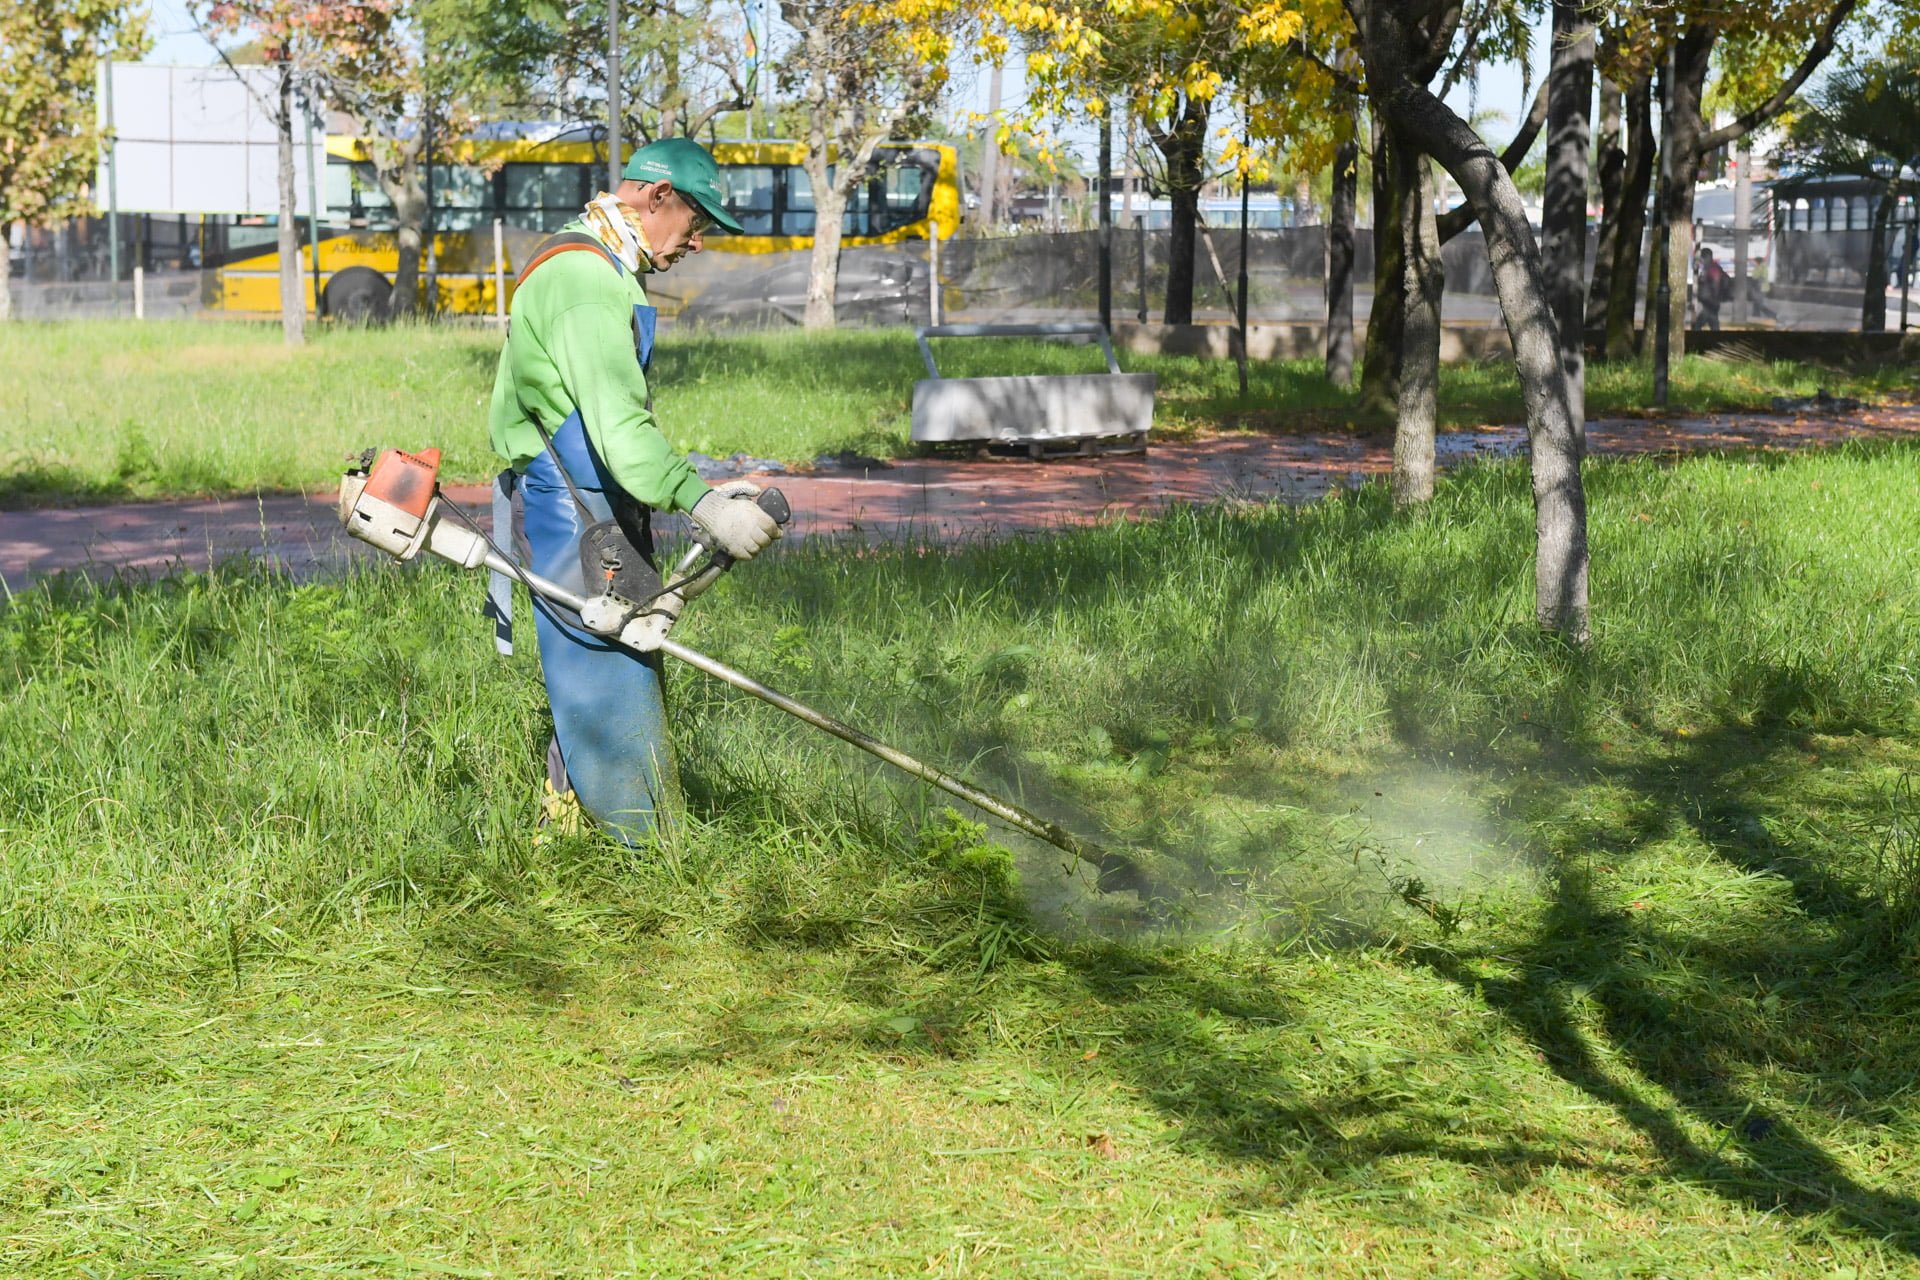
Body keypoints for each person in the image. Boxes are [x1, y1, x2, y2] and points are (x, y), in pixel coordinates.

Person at [484, 136, 783, 844]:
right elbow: (616, 426)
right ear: (656, 198)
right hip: (567, 501)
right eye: (696, 222)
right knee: (603, 664)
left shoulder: (603, 263)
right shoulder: (587, 281)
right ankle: (646, 850)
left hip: (592, 493)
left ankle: (569, 828)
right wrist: (704, 503)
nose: (699, 242)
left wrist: (684, 481)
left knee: (615, 651)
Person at [1694, 243, 1728, 332]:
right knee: (1713, 324)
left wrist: (1713, 298)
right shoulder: (1708, 268)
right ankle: (1716, 341)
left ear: (1707, 257)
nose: (1701, 260)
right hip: (1711, 302)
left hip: (1711, 302)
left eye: (1702, 258)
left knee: (1698, 324)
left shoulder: (1712, 268)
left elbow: (1715, 283)